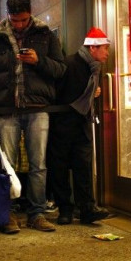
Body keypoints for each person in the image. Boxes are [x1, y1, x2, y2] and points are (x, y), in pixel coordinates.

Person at [0, 0, 66, 233]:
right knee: (5, 164)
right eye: (15, 20)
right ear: (7, 15)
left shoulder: (44, 34)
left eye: (23, 20)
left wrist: (38, 61)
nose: (19, 25)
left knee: (38, 163)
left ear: (31, 14)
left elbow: (60, 70)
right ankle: (5, 213)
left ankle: (36, 213)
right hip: (6, 108)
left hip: (37, 107)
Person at [47, 27, 111, 225]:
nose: (107, 53)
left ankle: (87, 208)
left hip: (82, 123)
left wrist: (93, 93)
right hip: (63, 123)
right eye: (105, 49)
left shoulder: (94, 67)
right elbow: (57, 90)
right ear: (93, 48)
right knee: (60, 167)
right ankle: (65, 210)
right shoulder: (69, 63)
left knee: (83, 166)